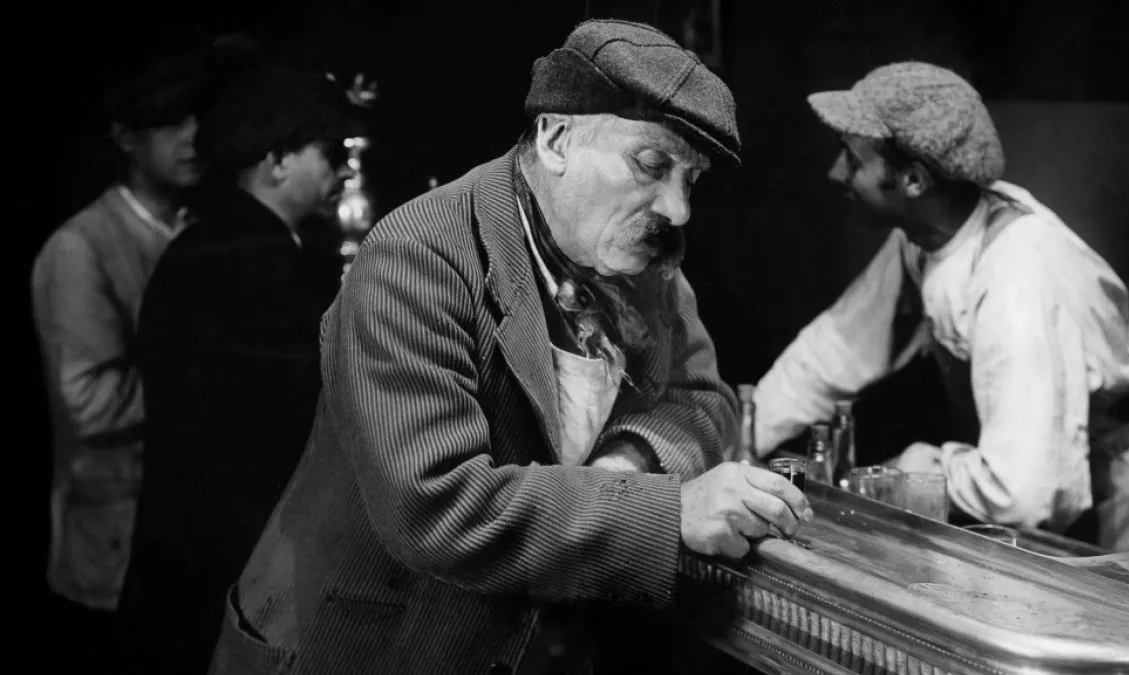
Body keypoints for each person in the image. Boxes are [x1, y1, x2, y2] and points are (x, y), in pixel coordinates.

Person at [208, 19, 812, 675]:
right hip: (370, 640)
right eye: (651, 165)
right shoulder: (417, 256)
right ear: (555, 138)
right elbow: (437, 507)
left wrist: (626, 461)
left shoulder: (640, 260)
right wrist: (668, 513)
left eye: (690, 179)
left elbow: (703, 402)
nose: (678, 209)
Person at [753, 61, 1129, 552]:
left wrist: (918, 471)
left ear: (914, 180)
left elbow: (1024, 491)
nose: (837, 173)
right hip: (1044, 478)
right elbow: (839, 347)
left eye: (853, 160)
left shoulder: (1018, 275)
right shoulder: (925, 237)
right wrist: (743, 435)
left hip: (1110, 499)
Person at [118, 62, 359, 674]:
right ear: (276, 161)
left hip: (198, 547)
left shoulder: (220, 244)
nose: (343, 170)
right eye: (330, 153)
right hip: (226, 562)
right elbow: (304, 416)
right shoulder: (249, 263)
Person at [31, 46, 204, 669]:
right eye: (169, 120)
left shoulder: (196, 230)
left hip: (178, 540)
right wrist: (212, 383)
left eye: (198, 117)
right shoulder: (80, 247)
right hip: (112, 550)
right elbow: (89, 403)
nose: (192, 136)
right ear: (126, 137)